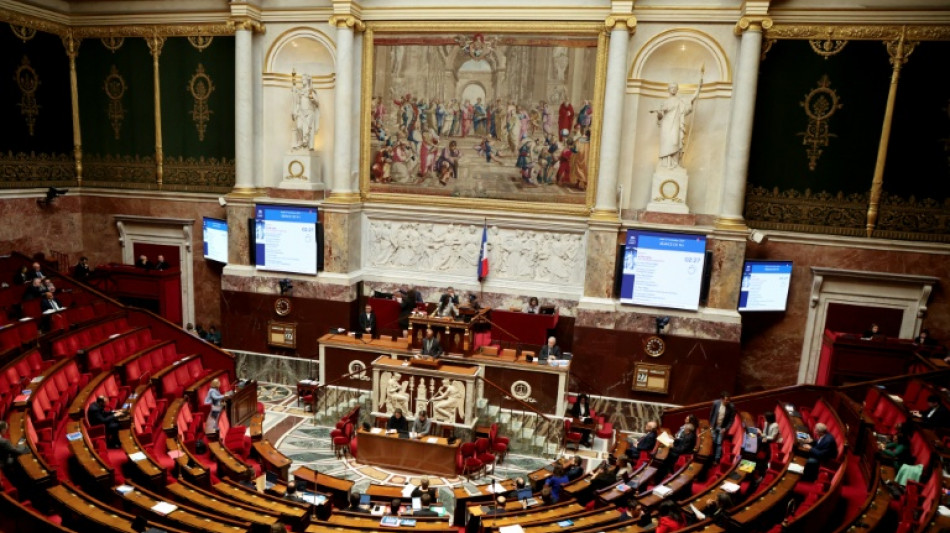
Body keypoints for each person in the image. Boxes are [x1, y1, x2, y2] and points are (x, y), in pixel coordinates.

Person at [653, 77, 702, 169]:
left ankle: (675, 164)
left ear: (677, 89)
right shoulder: (665, 102)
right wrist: (659, 114)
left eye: (675, 87)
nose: (673, 89)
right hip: (666, 126)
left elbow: (691, 98)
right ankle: (665, 164)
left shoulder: (680, 101)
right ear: (668, 89)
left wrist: (699, 87)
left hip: (675, 125)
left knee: (675, 141)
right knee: (666, 143)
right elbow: (660, 117)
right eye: (671, 87)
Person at [291, 73, 320, 151]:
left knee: (307, 130)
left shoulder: (311, 91)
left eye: (303, 79)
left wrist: (312, 99)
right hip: (301, 113)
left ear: (307, 80)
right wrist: (295, 111)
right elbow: (297, 103)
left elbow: (317, 102)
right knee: (299, 127)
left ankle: (306, 144)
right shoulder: (300, 91)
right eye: (302, 79)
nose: (302, 81)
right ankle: (300, 143)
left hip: (309, 113)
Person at [709, 391, 736, 462]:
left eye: (728, 400)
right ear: (722, 399)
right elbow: (712, 414)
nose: (727, 401)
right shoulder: (716, 403)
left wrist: (726, 428)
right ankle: (711, 457)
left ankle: (716, 459)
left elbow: (731, 420)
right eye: (726, 400)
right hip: (714, 426)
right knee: (713, 441)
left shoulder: (731, 407)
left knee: (719, 443)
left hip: (722, 428)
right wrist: (711, 425)